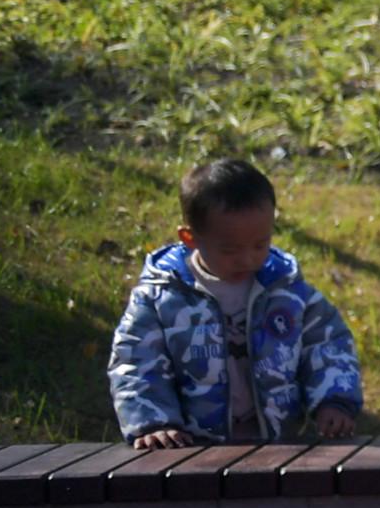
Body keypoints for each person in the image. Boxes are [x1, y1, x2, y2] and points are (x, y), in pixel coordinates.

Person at [110, 157, 363, 450]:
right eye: (230, 249)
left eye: (260, 244)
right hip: (190, 447)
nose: (248, 259)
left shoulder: (288, 292)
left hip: (280, 441)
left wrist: (333, 401)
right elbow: (136, 360)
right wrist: (154, 421)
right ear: (190, 238)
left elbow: (328, 345)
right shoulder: (160, 298)